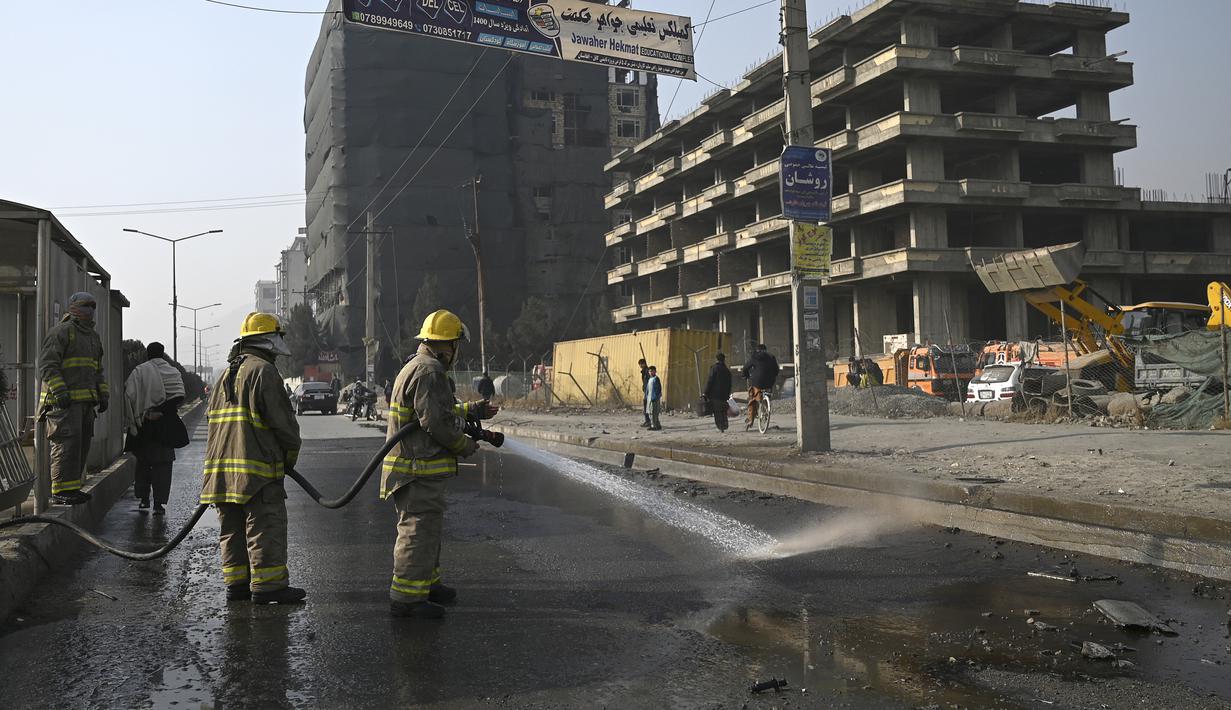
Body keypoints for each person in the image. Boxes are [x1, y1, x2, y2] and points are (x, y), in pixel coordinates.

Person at [382, 309, 496, 618]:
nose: (457, 353)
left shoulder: (418, 366)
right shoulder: (430, 371)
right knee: (417, 531)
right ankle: (406, 599)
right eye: (457, 345)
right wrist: (464, 445)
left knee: (427, 530)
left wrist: (472, 410)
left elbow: (438, 410)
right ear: (448, 345)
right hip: (416, 469)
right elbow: (436, 422)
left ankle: (427, 585)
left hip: (418, 468)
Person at [201, 313, 304, 605]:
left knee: (231, 528)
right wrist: (289, 457)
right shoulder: (264, 372)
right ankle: (269, 586)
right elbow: (284, 425)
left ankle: (237, 585)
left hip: (220, 471)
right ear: (269, 342)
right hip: (257, 470)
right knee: (263, 525)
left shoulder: (224, 374)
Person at [38, 291, 108, 505]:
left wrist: (102, 394)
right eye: (86, 305)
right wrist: (60, 391)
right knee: (66, 445)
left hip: (85, 403)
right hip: (63, 404)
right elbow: (48, 365)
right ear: (74, 307)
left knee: (80, 446)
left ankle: (72, 488)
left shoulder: (92, 337)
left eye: (93, 305)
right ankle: (60, 491)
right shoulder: (62, 332)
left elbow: (97, 369)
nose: (90, 309)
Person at [123, 342, 186, 514]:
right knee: (163, 465)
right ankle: (159, 504)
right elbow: (179, 395)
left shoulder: (139, 371)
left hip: (144, 424)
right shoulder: (173, 371)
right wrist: (163, 411)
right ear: (163, 354)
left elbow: (130, 394)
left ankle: (144, 500)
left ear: (147, 354)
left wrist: (146, 412)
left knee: (143, 462)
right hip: (166, 424)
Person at [741, 344, 780, 431]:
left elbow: (745, 368)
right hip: (770, 381)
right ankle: (766, 406)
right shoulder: (771, 357)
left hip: (757, 382)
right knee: (767, 392)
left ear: (757, 350)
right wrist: (773, 376)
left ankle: (750, 421)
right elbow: (776, 370)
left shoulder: (754, 357)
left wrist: (745, 375)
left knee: (752, 399)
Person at [702, 353, 733, 432]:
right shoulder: (727, 370)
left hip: (715, 394)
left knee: (717, 411)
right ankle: (724, 425)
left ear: (716, 359)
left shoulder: (714, 368)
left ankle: (720, 427)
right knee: (723, 410)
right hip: (724, 394)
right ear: (724, 359)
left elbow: (710, 381)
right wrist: (728, 393)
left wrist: (705, 392)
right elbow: (730, 383)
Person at [644, 365, 662, 430]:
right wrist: (646, 396)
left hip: (654, 399)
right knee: (650, 412)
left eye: (652, 371)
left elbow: (658, 389)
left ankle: (653, 426)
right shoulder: (650, 379)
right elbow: (647, 389)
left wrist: (655, 397)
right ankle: (658, 425)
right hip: (649, 398)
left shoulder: (656, 379)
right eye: (650, 371)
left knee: (654, 413)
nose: (651, 372)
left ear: (655, 371)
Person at [637, 358, 651, 428]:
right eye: (640, 365)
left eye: (641, 364)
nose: (640, 366)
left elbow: (649, 381)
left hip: (649, 391)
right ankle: (647, 421)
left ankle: (648, 421)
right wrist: (643, 387)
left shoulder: (647, 371)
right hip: (646, 390)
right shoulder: (644, 371)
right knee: (646, 406)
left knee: (647, 406)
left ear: (644, 364)